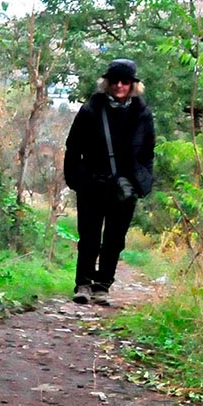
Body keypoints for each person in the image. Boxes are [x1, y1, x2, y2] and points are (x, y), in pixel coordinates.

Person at [63, 58, 155, 305]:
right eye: (115, 81)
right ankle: (83, 284)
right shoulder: (91, 109)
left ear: (133, 85)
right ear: (107, 83)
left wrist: (142, 183)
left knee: (115, 239)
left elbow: (148, 151)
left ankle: (102, 285)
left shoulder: (142, 114)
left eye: (125, 81)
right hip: (92, 183)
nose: (120, 86)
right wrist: (76, 178)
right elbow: (73, 147)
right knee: (89, 237)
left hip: (125, 187)